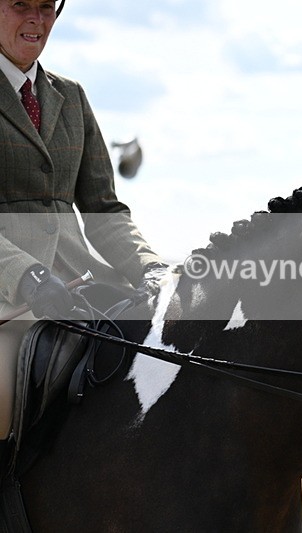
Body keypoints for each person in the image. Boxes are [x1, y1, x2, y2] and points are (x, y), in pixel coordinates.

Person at [0, 0, 165, 444]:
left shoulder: (70, 96)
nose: (36, 19)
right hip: (8, 300)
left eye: (46, 7)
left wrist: (149, 267)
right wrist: (28, 276)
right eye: (20, 5)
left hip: (79, 287)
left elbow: (104, 211)